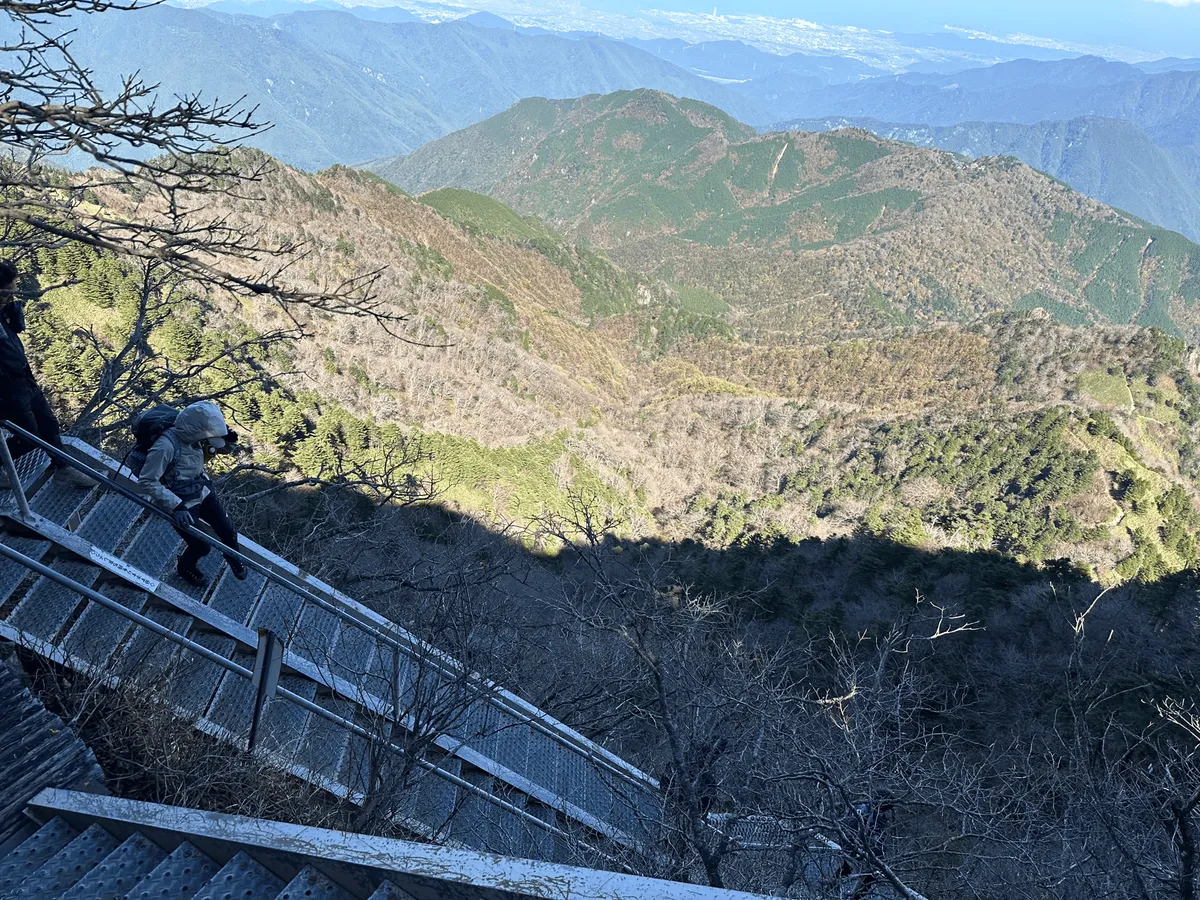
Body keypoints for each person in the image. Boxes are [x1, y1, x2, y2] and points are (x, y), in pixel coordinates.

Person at [135, 400, 248, 587]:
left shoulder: (194, 434)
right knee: (201, 545)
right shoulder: (165, 447)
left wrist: (229, 438)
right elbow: (147, 480)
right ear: (198, 430)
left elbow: (221, 447)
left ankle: (234, 559)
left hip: (201, 488)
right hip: (180, 499)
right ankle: (185, 567)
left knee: (227, 530)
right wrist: (176, 506)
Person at [0, 259, 92, 487]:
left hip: (23, 378)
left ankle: (63, 468)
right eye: (5, 293)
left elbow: (14, 336)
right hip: (5, 387)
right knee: (27, 435)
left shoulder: (3, 309)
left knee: (48, 423)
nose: (10, 297)